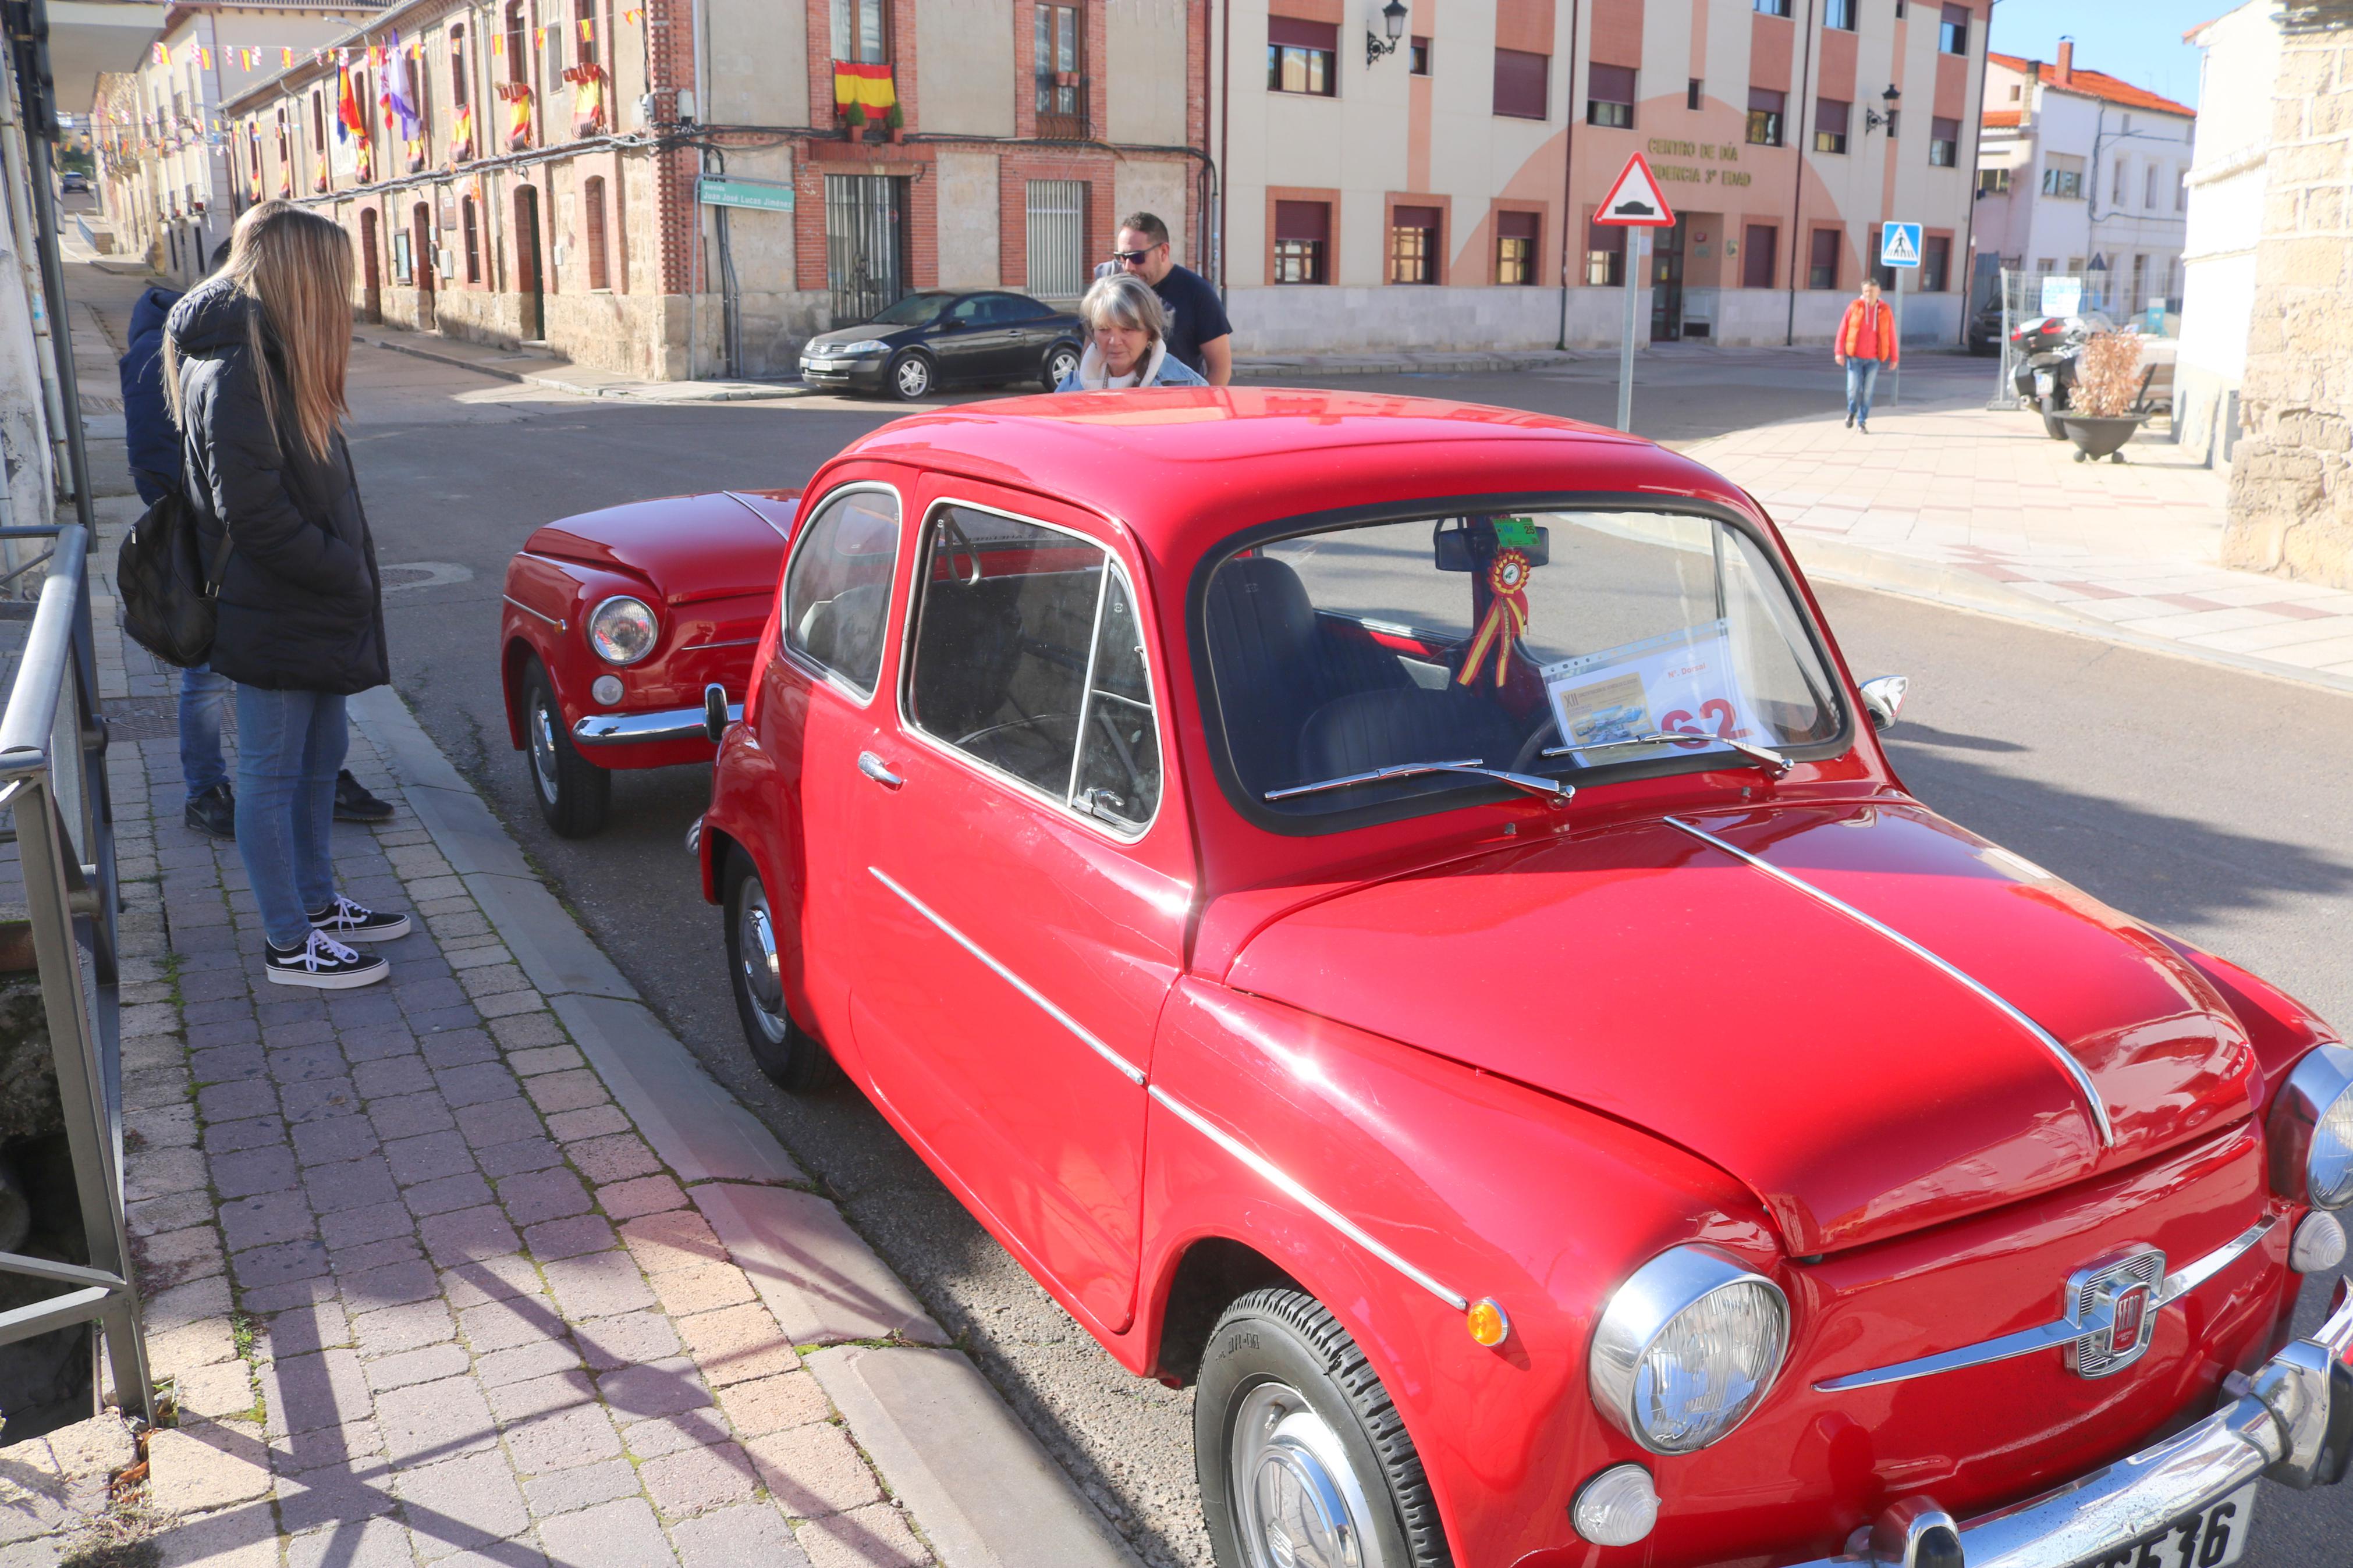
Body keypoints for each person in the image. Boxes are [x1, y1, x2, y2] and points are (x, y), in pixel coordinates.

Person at [164, 202, 407, 989]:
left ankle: (317, 900)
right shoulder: (239, 366)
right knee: (271, 774)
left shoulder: (268, 353)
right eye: (335, 278)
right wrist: (342, 566)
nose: (345, 296)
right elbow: (255, 513)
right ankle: (287, 941)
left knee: (317, 761)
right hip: (275, 607)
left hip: (303, 607)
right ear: (301, 278)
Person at [120, 244, 393, 841]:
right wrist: (340, 566)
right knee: (221, 697)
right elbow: (170, 466)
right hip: (234, 563)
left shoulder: (259, 354)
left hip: (264, 563)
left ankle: (315, 886)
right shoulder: (215, 362)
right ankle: (207, 794)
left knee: (303, 739)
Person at [1108, 212, 1232, 386]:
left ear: (1164, 251)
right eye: (1122, 257)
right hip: (1121, 405)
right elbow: (1091, 354)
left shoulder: (1197, 293)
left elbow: (1221, 368)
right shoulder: (1115, 291)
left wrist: (1201, 410)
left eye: (1137, 257)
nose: (1129, 267)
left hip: (1178, 407)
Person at [1056, 273, 1212, 391]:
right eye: (1104, 329)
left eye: (1127, 329)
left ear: (1150, 332)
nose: (1115, 341)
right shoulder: (1069, 388)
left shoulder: (1189, 388)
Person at [1833, 278, 1898, 433]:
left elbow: (1891, 335)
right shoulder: (1854, 307)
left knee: (1868, 392)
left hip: (1874, 359)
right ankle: (1852, 411)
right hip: (1855, 357)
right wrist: (1838, 352)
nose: (1869, 294)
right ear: (1863, 292)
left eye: (1872, 291)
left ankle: (1862, 422)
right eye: (1866, 291)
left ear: (1879, 292)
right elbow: (1843, 329)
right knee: (1853, 389)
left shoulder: (1885, 311)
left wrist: (1894, 357)